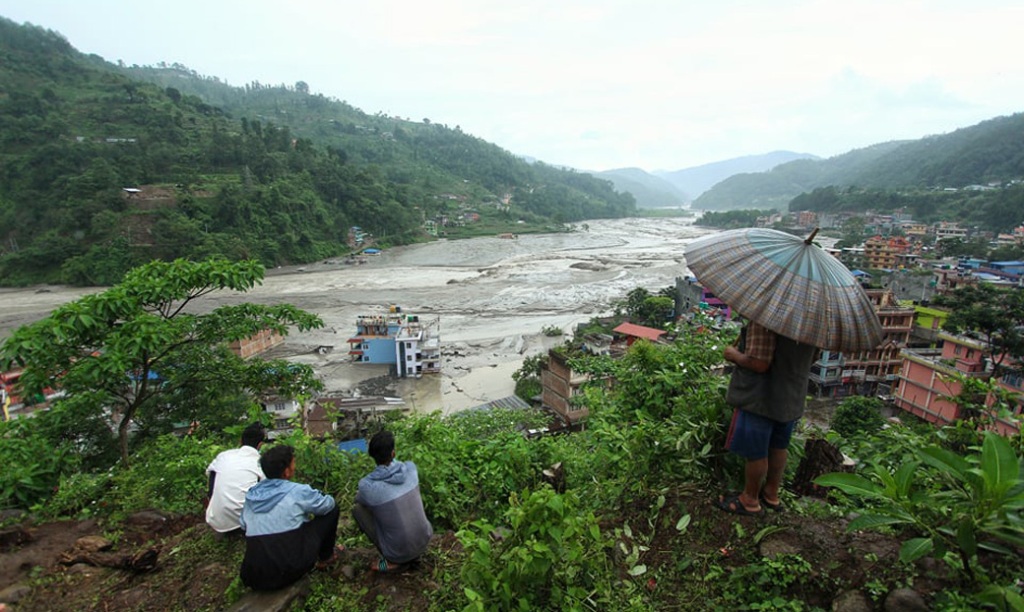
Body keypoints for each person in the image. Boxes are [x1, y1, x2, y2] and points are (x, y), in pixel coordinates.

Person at [718, 320, 817, 516]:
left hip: (762, 397)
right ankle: (771, 494)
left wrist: (733, 354)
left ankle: (750, 500)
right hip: (790, 397)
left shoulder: (766, 320)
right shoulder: (811, 324)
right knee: (779, 446)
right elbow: (812, 358)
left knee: (756, 451)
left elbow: (759, 364)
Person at [239, 445, 341, 591]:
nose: (295, 466)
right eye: (293, 463)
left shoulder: (252, 495)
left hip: (254, 576)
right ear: (286, 471)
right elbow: (328, 505)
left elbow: (243, 525)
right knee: (332, 510)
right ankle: (326, 558)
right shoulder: (297, 491)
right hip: (290, 569)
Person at [353, 430, 433, 572]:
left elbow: (359, 500)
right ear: (393, 453)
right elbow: (399, 466)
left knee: (358, 509)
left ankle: (392, 562)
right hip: (424, 541)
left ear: (372, 456)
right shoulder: (410, 469)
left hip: (398, 554)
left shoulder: (367, 486)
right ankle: (407, 552)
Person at [205, 423, 266, 534]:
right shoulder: (260, 463)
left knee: (215, 472)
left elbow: (210, 473)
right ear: (260, 445)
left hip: (215, 520)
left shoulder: (224, 456)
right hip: (246, 523)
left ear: (240, 441)